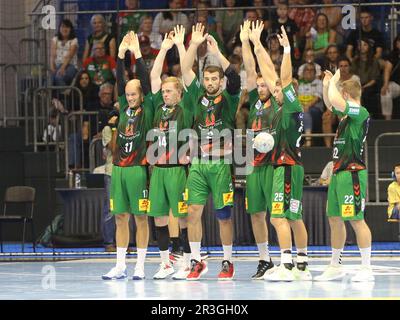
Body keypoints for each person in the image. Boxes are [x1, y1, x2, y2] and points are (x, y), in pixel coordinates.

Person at [250, 22, 311, 281]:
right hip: (293, 167)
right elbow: (268, 71)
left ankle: (286, 266)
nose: (275, 90)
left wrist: (286, 50)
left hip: (285, 168)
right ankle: (302, 266)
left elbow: (283, 78)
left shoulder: (289, 105)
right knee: (294, 217)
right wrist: (257, 44)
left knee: (278, 216)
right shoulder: (280, 108)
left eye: (278, 90)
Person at [181, 23, 241, 280]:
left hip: (221, 164)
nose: (210, 82)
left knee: (223, 216)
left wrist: (217, 54)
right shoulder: (196, 95)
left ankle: (227, 261)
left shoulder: (228, 98)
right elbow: (184, 69)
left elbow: (236, 77)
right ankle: (196, 260)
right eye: (207, 78)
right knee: (192, 211)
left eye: (215, 79)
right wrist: (193, 44)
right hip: (198, 164)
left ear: (220, 81)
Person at [102, 31, 153, 280]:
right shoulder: (123, 107)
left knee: (140, 218)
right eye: (128, 95)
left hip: (137, 170)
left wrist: (138, 54)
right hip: (119, 169)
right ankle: (120, 265)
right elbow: (121, 84)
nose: (130, 97)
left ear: (141, 95)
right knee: (120, 217)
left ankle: (140, 266)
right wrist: (121, 55)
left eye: (134, 94)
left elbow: (142, 78)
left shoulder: (149, 107)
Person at [316, 67, 374, 282]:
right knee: (334, 218)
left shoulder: (360, 112)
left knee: (356, 220)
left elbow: (336, 101)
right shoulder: (345, 115)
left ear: (347, 96)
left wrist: (335, 81)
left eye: (341, 94)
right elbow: (331, 104)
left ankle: (366, 268)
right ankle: (335, 264)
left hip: (353, 174)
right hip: (339, 173)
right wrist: (326, 84)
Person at [147, 26, 193, 280]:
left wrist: (181, 47)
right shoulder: (157, 108)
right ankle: (165, 263)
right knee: (159, 219)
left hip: (178, 170)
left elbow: (186, 74)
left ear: (179, 93)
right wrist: (164, 48)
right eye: (163, 91)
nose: (165, 93)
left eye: (169, 91)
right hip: (158, 172)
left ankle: (187, 263)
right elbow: (154, 76)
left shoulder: (185, 107)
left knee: (183, 218)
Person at [240, 20, 277, 279]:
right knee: (256, 213)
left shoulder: (278, 100)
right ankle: (264, 258)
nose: (261, 87)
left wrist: (257, 42)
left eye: (265, 85)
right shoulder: (254, 100)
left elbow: (267, 70)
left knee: (279, 215)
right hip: (253, 164)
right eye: (259, 85)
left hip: (275, 164)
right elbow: (250, 69)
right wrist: (244, 41)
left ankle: (290, 256)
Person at [351, 38, 381, 119]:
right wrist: (359, 86)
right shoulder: (355, 60)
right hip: (357, 85)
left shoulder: (374, 61)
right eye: (360, 45)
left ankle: (368, 116)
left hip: (370, 86)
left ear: (369, 47)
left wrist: (364, 87)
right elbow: (352, 76)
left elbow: (374, 79)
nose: (362, 47)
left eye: (365, 45)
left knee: (367, 93)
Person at [101, 105, 118, 252]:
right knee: (111, 209)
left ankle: (122, 243)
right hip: (111, 172)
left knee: (124, 209)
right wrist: (114, 128)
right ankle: (109, 242)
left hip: (124, 171)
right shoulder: (107, 129)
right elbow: (113, 148)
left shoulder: (129, 126)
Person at [297, 63, 324, 147]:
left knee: (307, 112)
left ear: (315, 73)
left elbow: (317, 98)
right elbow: (295, 98)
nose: (309, 72)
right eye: (307, 70)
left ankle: (308, 141)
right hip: (300, 109)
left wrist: (307, 106)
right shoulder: (299, 83)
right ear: (303, 72)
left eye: (311, 70)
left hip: (315, 109)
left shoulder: (319, 82)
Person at [50, 19, 78, 87]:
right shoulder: (55, 39)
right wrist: (52, 67)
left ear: (70, 29)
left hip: (70, 66)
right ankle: (46, 96)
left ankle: (65, 95)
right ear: (59, 28)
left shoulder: (74, 40)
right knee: (49, 80)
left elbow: (69, 56)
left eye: (67, 27)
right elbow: (52, 55)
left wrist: (62, 68)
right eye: (62, 27)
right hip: (57, 65)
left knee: (58, 77)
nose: (64, 29)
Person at [380, 35, 400, 120]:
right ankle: (387, 121)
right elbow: (387, 70)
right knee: (385, 92)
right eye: (399, 41)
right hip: (396, 84)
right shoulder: (393, 55)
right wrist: (385, 84)